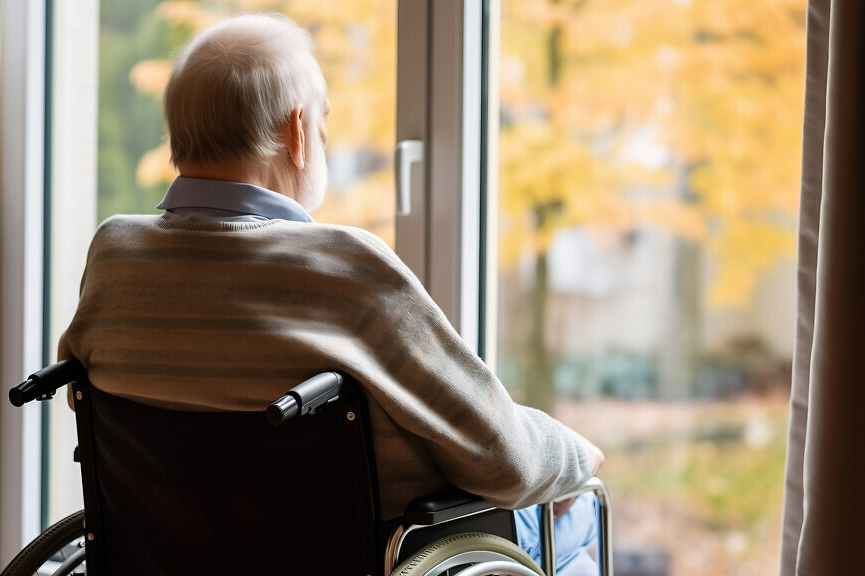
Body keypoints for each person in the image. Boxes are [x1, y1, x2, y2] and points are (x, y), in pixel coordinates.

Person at [58, 13, 603, 574]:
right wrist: (577, 456)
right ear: (297, 133)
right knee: (582, 515)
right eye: (323, 124)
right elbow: (505, 460)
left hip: (173, 553)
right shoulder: (345, 268)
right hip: (385, 552)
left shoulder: (114, 256)